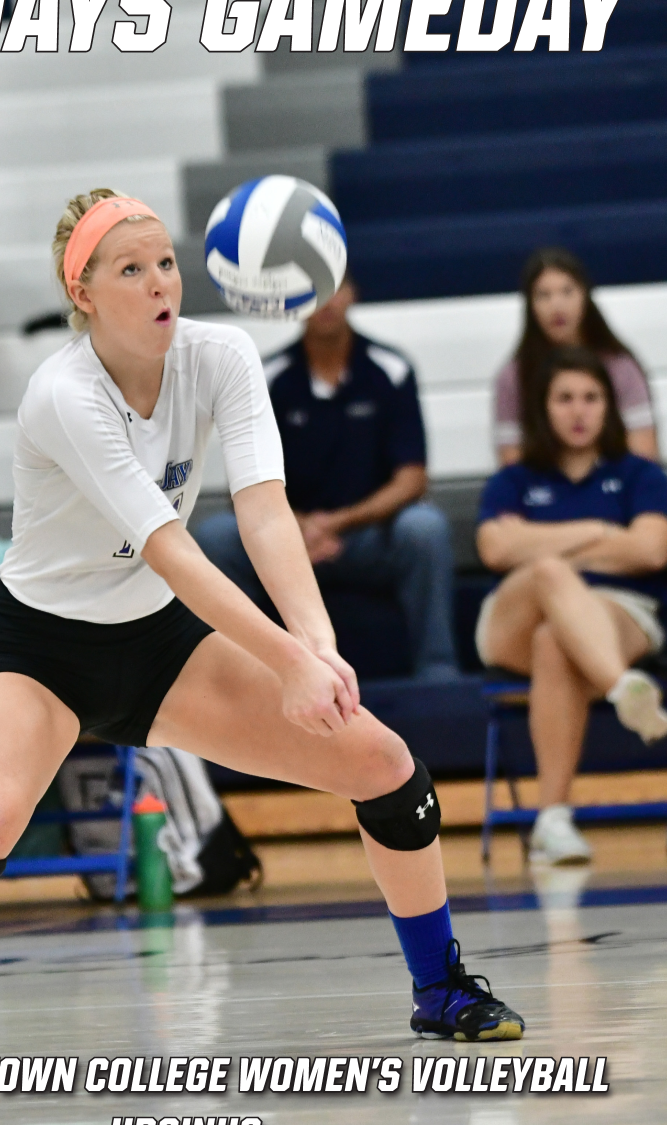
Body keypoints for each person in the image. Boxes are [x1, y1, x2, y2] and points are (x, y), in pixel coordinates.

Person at [0, 189, 524, 1060]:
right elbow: (170, 548)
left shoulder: (220, 355)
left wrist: (318, 647)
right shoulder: (62, 394)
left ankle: (440, 991)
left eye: (167, 264)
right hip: (36, 646)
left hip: (158, 644)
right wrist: (289, 661)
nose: (159, 285)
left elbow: (265, 512)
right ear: (85, 295)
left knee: (385, 766)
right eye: (131, 269)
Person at [195, 277, 458, 680]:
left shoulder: (391, 368)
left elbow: (412, 479)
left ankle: (438, 673)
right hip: (284, 538)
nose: (326, 302)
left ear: (353, 292)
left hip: (366, 536)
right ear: (290, 302)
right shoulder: (266, 376)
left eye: (333, 286)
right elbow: (243, 482)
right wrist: (296, 527)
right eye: (312, 290)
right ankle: (234, 680)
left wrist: (335, 524)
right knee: (216, 537)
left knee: (425, 529)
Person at [476, 346, 667, 865]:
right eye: (564, 398)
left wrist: (536, 537)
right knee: (548, 574)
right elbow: (495, 550)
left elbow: (651, 549)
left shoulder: (640, 476)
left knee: (555, 639)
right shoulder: (513, 481)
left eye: (591, 397)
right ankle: (620, 687)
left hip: (619, 608)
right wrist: (598, 531)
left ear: (609, 407)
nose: (578, 410)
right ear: (543, 407)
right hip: (517, 611)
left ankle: (553, 821)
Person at [493, 247, 658, 468]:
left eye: (567, 291)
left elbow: (645, 456)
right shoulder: (514, 377)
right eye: (544, 295)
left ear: (585, 296)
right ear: (530, 305)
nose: (556, 306)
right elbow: (511, 467)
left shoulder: (620, 367)